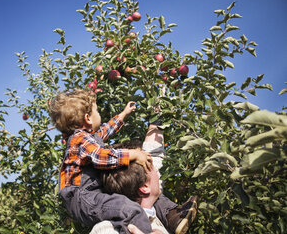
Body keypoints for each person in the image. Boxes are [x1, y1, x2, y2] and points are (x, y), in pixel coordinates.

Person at [50, 89, 155, 234]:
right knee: (128, 209)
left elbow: (105, 131)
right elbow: (101, 156)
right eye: (97, 111)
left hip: (87, 196)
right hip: (81, 197)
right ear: (88, 118)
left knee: (122, 207)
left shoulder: (87, 137)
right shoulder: (80, 139)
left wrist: (123, 115)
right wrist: (133, 154)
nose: (99, 115)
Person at [91, 124, 198, 234]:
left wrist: (158, 114)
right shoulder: (109, 228)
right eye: (150, 165)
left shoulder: (159, 215)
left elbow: (154, 152)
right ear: (145, 187)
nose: (156, 169)